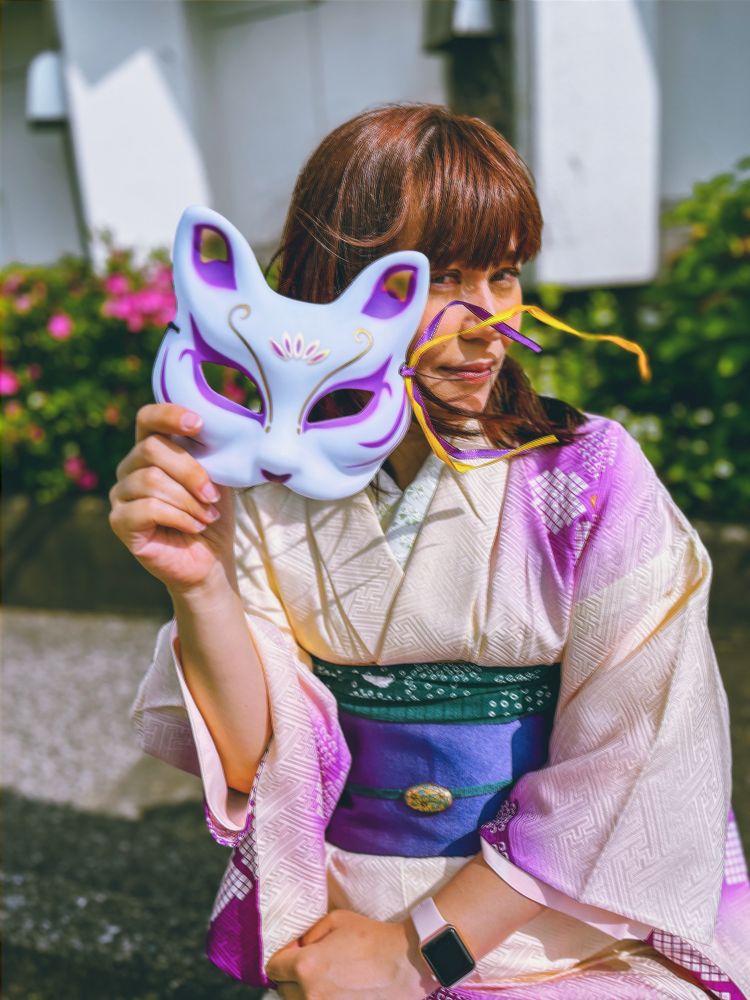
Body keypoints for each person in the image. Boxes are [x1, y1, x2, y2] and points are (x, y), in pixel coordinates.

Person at [109, 104, 749, 999]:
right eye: (444, 275)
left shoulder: (592, 477)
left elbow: (630, 755)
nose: (485, 316)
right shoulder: (264, 483)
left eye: (504, 274)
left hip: (565, 934)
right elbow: (257, 753)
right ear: (339, 285)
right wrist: (199, 581)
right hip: (348, 916)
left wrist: (419, 955)